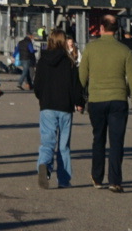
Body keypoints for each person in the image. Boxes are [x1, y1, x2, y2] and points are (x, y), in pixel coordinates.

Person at [78, 12, 132, 192]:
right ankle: (115, 180)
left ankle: (97, 177)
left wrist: (79, 99)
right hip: (118, 99)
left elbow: (82, 76)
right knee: (116, 141)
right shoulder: (125, 50)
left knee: (98, 139)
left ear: (101, 28)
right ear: (117, 30)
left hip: (97, 99)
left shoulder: (90, 48)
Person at [32, 29, 82, 189]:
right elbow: (75, 86)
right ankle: (64, 179)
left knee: (47, 141)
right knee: (63, 146)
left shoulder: (42, 60)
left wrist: (42, 98)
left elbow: (37, 85)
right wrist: (79, 102)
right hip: (65, 106)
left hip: (47, 105)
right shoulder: (69, 61)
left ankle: (44, 165)